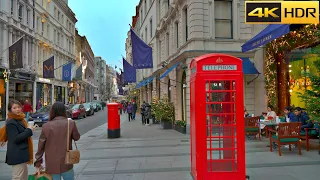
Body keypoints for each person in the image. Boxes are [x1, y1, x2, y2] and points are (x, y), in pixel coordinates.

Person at [34, 102, 80, 180]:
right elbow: (76, 137)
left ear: (52, 111)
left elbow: (41, 145)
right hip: (67, 161)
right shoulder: (71, 123)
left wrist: (38, 160)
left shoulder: (46, 126)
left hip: (51, 163)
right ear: (64, 111)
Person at [0, 100, 37, 180]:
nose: (17, 109)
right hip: (17, 154)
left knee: (23, 177)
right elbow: (15, 138)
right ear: (10, 110)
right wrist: (29, 130)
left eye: (19, 107)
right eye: (14, 108)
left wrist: (29, 130)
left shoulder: (21, 119)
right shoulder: (11, 122)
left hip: (22, 154)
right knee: (18, 177)